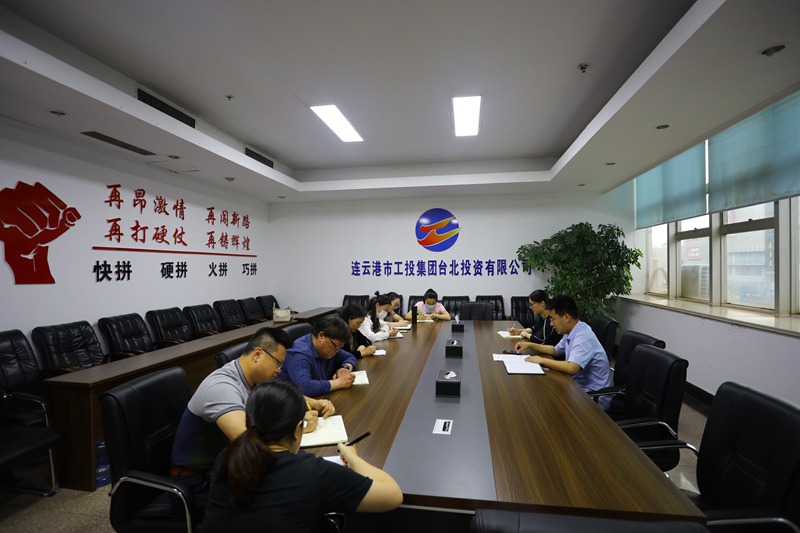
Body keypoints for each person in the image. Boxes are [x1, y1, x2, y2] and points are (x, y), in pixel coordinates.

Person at [201, 380, 403, 532]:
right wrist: (353, 458)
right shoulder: (311, 472)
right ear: (298, 428)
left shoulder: (226, 457)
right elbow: (393, 495)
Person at [170, 327, 335, 501]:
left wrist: (315, 403)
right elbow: (250, 445)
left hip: (230, 466)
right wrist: (298, 428)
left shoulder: (254, 378)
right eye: (278, 363)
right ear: (257, 354)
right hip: (198, 482)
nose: (279, 370)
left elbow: (280, 395)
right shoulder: (222, 387)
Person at [514, 295, 612, 410]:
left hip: (593, 396)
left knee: (542, 402)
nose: (551, 324)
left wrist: (541, 360)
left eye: (553, 319)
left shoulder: (583, 336)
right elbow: (555, 350)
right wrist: (529, 345)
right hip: (577, 386)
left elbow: (572, 368)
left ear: (566, 317)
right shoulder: (571, 330)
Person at [278, 316, 358, 397]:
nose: (337, 351)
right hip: (290, 401)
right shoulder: (298, 353)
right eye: (336, 346)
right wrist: (339, 382)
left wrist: (344, 369)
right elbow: (306, 387)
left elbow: (350, 357)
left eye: (340, 347)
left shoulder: (331, 346)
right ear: (321, 336)